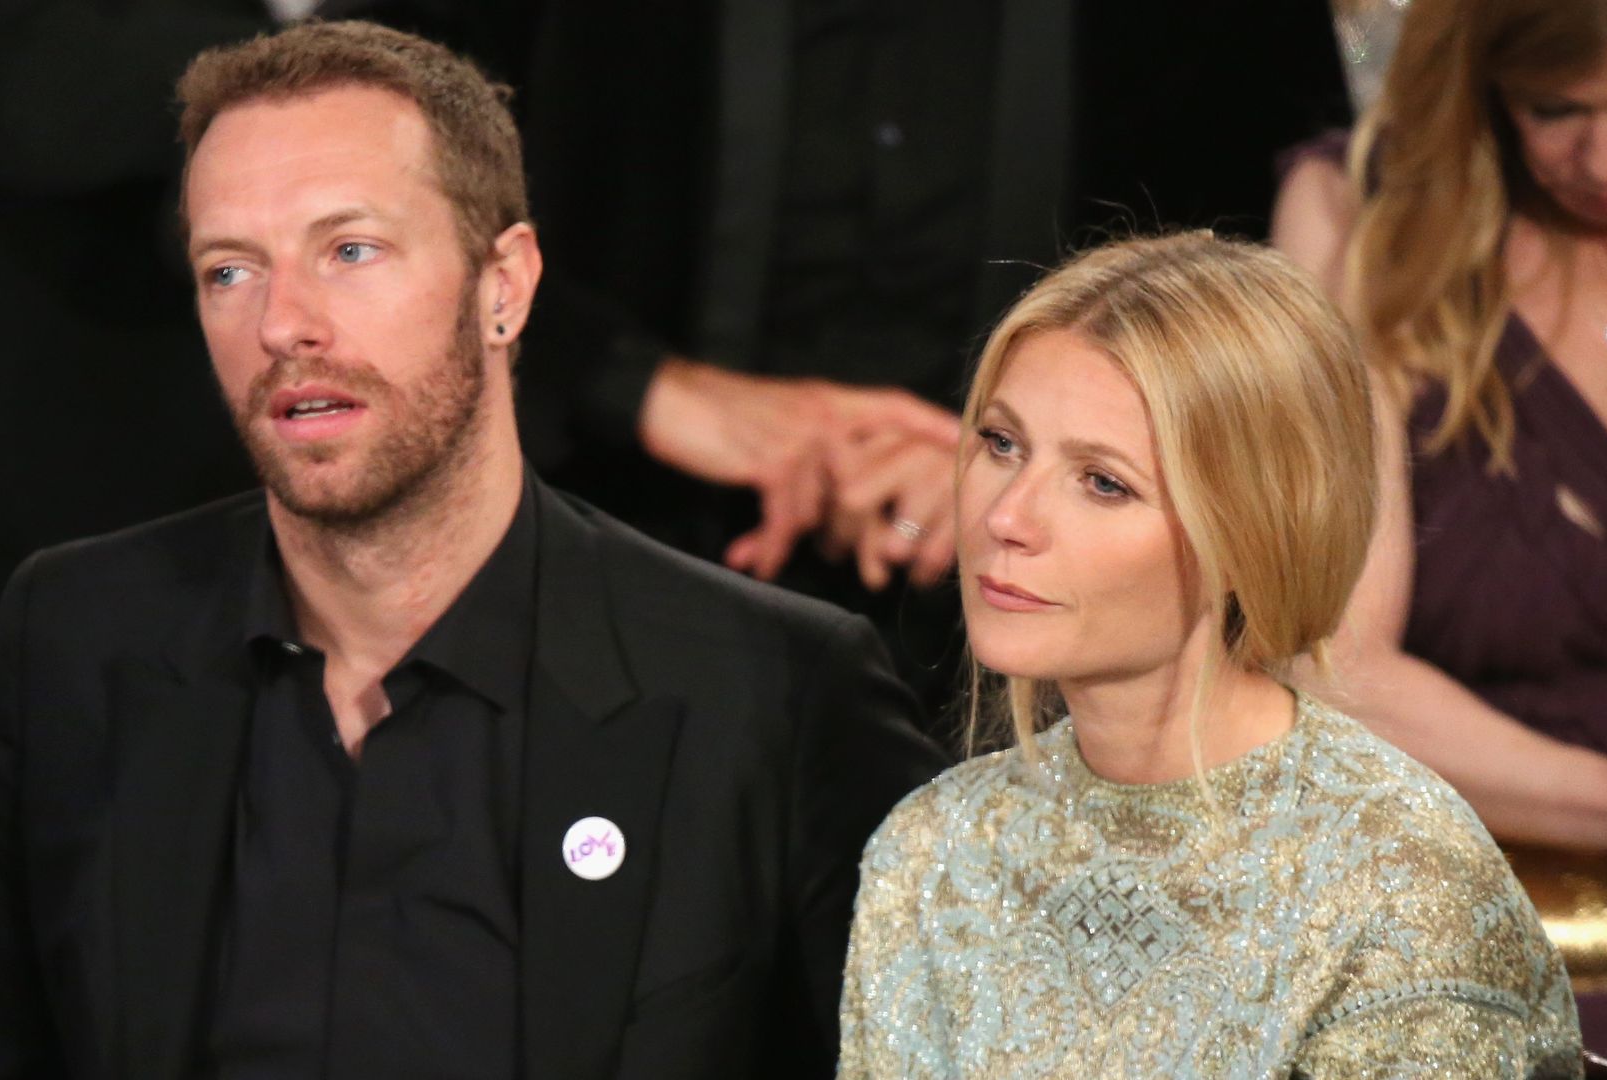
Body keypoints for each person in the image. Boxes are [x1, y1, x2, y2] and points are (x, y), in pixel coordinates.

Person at [0, 22, 943, 1078]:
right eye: (229, 271)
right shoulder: (75, 642)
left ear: (506, 286)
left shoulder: (771, 694)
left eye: (350, 250)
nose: (283, 325)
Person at [837, 234, 1580, 1076]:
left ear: (1252, 531)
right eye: (1003, 443)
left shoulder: (1400, 888)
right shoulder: (931, 851)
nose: (1006, 516)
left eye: (1104, 482)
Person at [513, 0, 1352, 718]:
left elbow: (1255, 296)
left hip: (1058, 644)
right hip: (610, 552)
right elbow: (420, 184)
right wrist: (645, 388)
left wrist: (1007, 463)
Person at [1271, 0, 1607, 1050]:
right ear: (1485, 89)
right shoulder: (1376, 249)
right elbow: (1335, 673)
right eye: (1556, 110)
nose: (1605, 159)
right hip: (1487, 941)